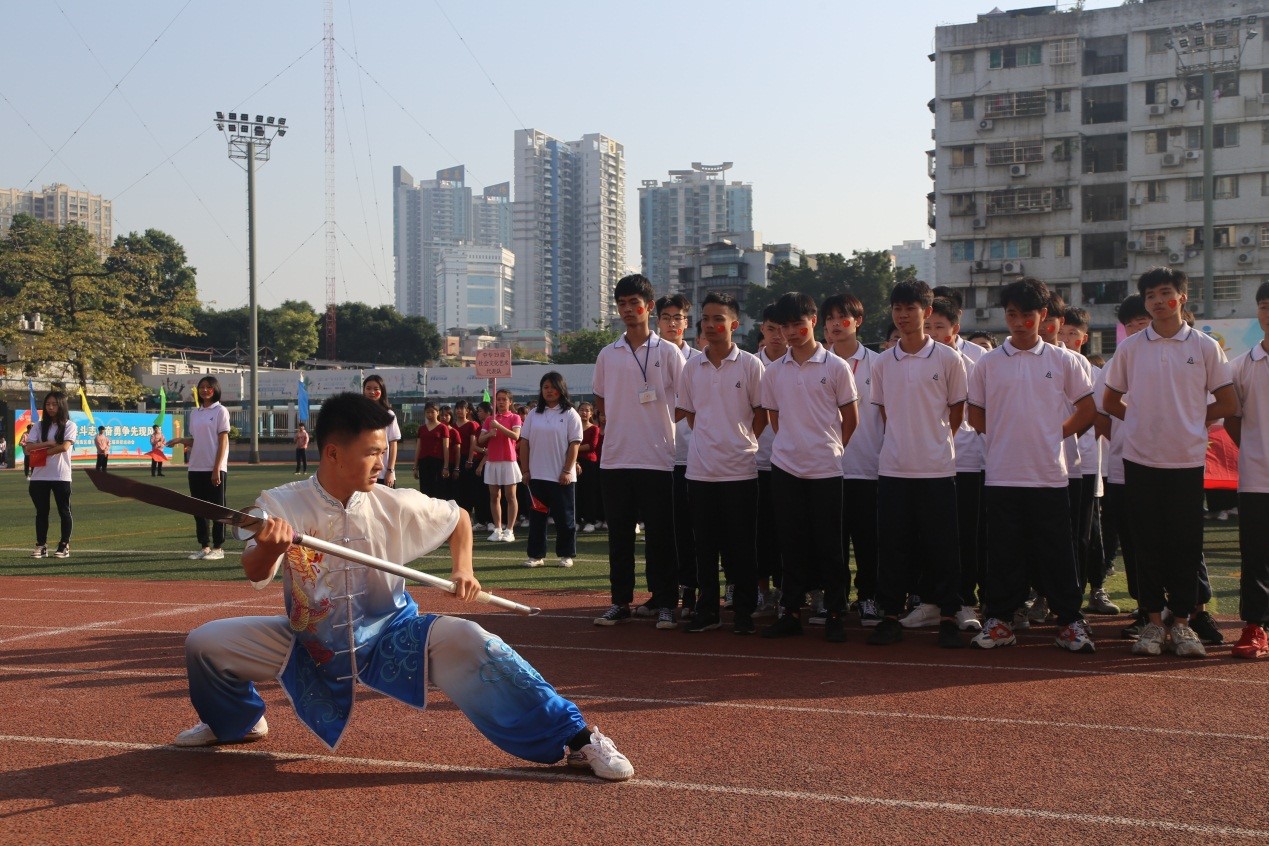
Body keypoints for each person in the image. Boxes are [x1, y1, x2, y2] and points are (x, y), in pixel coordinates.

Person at [171, 392, 633, 781]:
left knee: (474, 640)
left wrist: (464, 570)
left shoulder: (395, 502)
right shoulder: (280, 505)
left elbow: (461, 519)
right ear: (332, 452)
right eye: (372, 452)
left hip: (394, 634)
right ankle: (236, 722)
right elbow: (254, 570)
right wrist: (271, 547)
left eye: (384, 450)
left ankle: (576, 738)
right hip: (307, 641)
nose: (384, 460)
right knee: (205, 643)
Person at [1104, 267, 1237, 658]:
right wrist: (1145, 423)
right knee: (1145, 544)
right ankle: (1151, 624)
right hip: (1140, 459)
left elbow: (1228, 403)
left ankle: (1182, 624)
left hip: (1187, 460)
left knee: (1184, 544)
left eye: (1165, 293)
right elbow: (1111, 401)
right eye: (1150, 296)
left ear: (1182, 298)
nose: (1158, 301)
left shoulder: (1204, 346)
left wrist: (1190, 421)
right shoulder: (1130, 348)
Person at [967, 278, 1097, 654]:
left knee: (1057, 553)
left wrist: (1054, 434)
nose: (1019, 321)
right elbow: (975, 414)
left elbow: (1087, 410)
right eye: (1011, 314)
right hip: (1002, 474)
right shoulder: (988, 363)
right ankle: (1001, 621)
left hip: (1050, 476)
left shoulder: (1065, 360)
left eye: (1027, 314)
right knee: (1003, 553)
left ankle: (1070, 622)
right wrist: (1011, 433)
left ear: (1043, 316)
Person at [867, 282, 968, 650]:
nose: (902, 315)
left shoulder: (948, 359)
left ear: (927, 312)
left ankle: (947, 618)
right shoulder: (882, 362)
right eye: (897, 308)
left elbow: (957, 410)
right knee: (892, 547)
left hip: (937, 469)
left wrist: (935, 440)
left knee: (943, 547)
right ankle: (889, 616)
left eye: (910, 308)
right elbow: (882, 410)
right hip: (893, 468)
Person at [759, 292, 859, 643]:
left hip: (826, 469)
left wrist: (829, 448)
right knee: (791, 545)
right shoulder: (772, 371)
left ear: (813, 321)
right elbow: (773, 418)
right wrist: (793, 446)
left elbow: (851, 418)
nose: (791, 331)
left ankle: (834, 612)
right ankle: (790, 612)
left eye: (797, 323)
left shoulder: (836, 366)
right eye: (784, 325)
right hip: (785, 468)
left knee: (830, 547)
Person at [592, 274, 685, 630]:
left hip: (658, 457)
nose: (629, 310)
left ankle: (664, 602)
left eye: (635, 303)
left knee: (661, 536)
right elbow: (601, 397)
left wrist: (660, 423)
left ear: (649, 306)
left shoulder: (668, 352)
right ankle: (620, 601)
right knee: (619, 537)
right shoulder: (607, 354)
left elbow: (686, 399)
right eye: (622, 304)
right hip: (615, 458)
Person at [676, 291, 765, 634]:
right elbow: (690, 414)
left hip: (740, 470)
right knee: (705, 547)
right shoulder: (692, 367)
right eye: (706, 319)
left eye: (718, 319)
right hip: (700, 471)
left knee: (741, 547)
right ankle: (707, 610)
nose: (711, 325)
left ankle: (743, 611)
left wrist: (743, 440)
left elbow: (761, 413)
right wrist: (708, 441)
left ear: (734, 324)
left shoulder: (750, 364)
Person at [926, 295, 987, 633]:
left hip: (965, 459)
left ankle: (964, 599)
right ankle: (931, 600)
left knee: (965, 534)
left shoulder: (977, 358)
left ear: (955, 328)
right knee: (933, 534)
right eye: (929, 326)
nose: (933, 333)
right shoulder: (916, 355)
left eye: (940, 327)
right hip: (929, 461)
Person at [822, 293, 883, 628]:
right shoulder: (816, 361)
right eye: (829, 318)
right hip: (827, 469)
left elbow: (888, 416)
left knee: (867, 542)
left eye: (842, 317)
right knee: (831, 543)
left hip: (868, 466)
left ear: (858, 321)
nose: (834, 324)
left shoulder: (878, 363)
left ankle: (869, 597)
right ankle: (834, 600)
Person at [1226, 281, 1269, 659]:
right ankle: (1255, 626)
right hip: (1257, 478)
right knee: (1255, 556)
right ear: (1258, 312)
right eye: (1265, 306)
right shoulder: (1241, 366)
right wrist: (1255, 450)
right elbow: (1232, 420)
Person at [657, 294, 703, 617]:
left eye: (678, 317)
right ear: (656, 320)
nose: (672, 323)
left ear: (687, 322)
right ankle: (662, 592)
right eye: (666, 318)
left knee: (692, 530)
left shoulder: (700, 360)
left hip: (695, 457)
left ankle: (691, 589)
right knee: (664, 531)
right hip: (659, 456)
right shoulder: (647, 358)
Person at [519, 372, 583, 569]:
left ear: (560, 389)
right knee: (537, 518)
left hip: (562, 478)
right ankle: (536, 555)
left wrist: (566, 470)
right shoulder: (533, 414)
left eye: (552, 387)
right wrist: (526, 470)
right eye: (545, 387)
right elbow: (524, 443)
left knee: (565, 518)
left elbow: (575, 444)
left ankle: (566, 554)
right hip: (537, 477)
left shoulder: (570, 414)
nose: (548, 390)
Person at [169, 376, 231, 560]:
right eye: (201, 387)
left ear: (215, 390)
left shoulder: (221, 411)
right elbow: (196, 440)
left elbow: (223, 441)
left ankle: (218, 548)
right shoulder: (195, 413)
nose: (204, 390)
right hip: (195, 467)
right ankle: (204, 546)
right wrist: (180, 441)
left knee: (217, 509)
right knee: (198, 509)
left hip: (214, 467)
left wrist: (216, 468)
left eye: (208, 387)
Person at [754, 305, 787, 617]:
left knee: (790, 533)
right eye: (771, 328)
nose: (778, 335)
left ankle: (793, 593)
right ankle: (763, 593)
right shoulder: (751, 366)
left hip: (794, 465)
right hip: (758, 464)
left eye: (782, 328)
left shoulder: (798, 365)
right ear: (761, 330)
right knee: (760, 535)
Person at [27, 390, 77, 559]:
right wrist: (48, 444)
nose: (50, 407)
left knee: (64, 510)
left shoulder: (70, 425)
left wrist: (42, 451)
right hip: (39, 475)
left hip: (60, 475)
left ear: (61, 405)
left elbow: (64, 447)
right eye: (47, 404)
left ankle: (64, 545)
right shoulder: (38, 426)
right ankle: (41, 545)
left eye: (54, 404)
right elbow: (28, 449)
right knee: (41, 512)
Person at [479, 389, 522, 542]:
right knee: (494, 496)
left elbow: (516, 436)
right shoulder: (489, 419)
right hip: (492, 461)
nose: (501, 402)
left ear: (510, 402)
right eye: (499, 399)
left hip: (509, 461)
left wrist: (500, 427)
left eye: (504, 399)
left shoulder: (515, 417)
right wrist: (490, 433)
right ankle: (497, 529)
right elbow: (480, 440)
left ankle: (509, 530)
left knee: (510, 496)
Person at [363, 375, 401, 488]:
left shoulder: (389, 415)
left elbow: (393, 444)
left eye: (376, 389)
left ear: (382, 391)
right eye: (368, 388)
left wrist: (390, 470)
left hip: (383, 473)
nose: (372, 392)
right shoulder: (358, 414)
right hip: (364, 472)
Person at [413, 403, 450, 499]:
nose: (429, 414)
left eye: (432, 412)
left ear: (437, 413)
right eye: (427, 412)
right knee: (425, 491)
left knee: (438, 490)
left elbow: (446, 448)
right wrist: (415, 466)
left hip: (437, 462)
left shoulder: (443, 427)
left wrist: (446, 466)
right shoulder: (421, 428)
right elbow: (418, 447)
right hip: (424, 462)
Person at [576, 402, 601, 532]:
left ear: (591, 413)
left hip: (590, 463)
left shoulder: (594, 428)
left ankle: (590, 520)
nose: (584, 413)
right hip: (574, 462)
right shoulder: (573, 427)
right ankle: (577, 519)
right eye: (581, 410)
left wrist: (573, 448)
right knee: (576, 492)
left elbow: (592, 446)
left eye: (587, 410)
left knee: (589, 492)